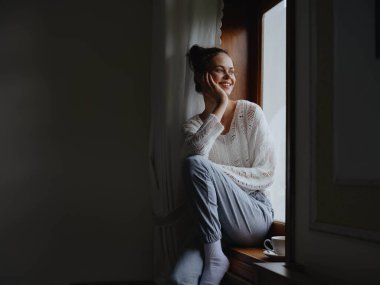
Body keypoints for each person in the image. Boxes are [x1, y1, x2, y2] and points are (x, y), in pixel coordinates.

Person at [168, 45, 276, 285]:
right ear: (202, 77)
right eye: (220, 70)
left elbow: (266, 173)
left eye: (232, 71)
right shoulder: (192, 127)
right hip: (214, 227)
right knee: (179, 279)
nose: (229, 77)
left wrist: (215, 174)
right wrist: (220, 104)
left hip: (254, 215)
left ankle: (215, 259)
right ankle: (214, 254)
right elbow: (196, 154)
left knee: (198, 165)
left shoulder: (250, 113)